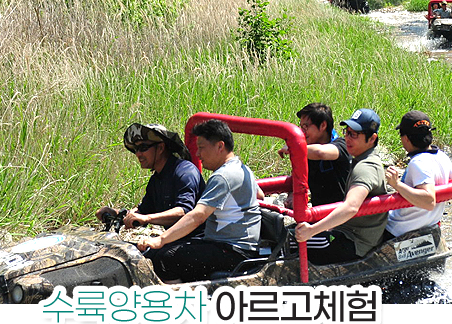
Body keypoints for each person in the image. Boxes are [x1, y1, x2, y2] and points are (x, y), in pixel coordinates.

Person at [137, 118, 262, 282]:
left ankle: (178, 300)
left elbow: (197, 216)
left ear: (220, 146)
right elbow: (259, 195)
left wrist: (161, 239)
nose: (197, 154)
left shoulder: (223, 176)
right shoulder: (241, 168)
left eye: (201, 148)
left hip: (234, 251)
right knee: (159, 253)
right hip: (234, 246)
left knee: (165, 258)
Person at [294, 108, 388, 264]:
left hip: (354, 241)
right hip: (346, 232)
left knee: (288, 241)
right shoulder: (360, 160)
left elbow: (351, 207)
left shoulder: (366, 167)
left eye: (354, 135)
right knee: (287, 235)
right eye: (346, 132)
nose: (347, 139)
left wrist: (312, 231)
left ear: (372, 139)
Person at [97, 123, 205, 234]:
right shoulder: (156, 179)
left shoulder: (185, 172)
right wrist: (115, 213)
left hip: (198, 241)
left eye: (143, 148)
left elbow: (184, 211)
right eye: (136, 149)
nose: (138, 154)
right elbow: (142, 213)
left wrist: (147, 218)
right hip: (175, 240)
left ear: (161, 148)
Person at [384, 111, 452, 238]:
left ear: (406, 139)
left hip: (398, 230)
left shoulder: (418, 162)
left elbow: (428, 201)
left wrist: (396, 184)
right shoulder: (441, 156)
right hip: (429, 225)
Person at [277, 103, 351, 207]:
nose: (302, 131)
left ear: (323, 125)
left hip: (343, 216)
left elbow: (320, 152)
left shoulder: (341, 145)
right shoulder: (307, 149)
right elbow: (297, 177)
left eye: (306, 126)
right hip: (319, 215)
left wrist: (293, 148)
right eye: (301, 126)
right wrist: (291, 196)